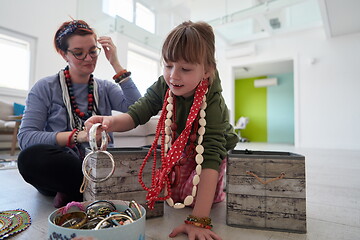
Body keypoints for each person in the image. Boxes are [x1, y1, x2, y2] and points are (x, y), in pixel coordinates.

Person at [85, 21, 238, 240]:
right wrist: (109, 121)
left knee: (202, 198)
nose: (174, 76)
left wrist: (199, 221)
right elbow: (137, 114)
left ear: (207, 71)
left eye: (185, 69)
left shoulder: (213, 103)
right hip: (183, 148)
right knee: (177, 193)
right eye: (168, 65)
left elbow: (210, 158)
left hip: (210, 153)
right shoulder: (165, 85)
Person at [17, 19, 141, 208]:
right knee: (30, 158)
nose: (89, 59)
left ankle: (77, 191)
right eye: (78, 53)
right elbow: (26, 138)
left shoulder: (105, 87)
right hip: (62, 168)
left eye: (93, 51)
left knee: (148, 153)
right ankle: (87, 190)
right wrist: (79, 136)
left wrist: (115, 63)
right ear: (63, 54)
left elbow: (138, 110)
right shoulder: (45, 87)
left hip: (101, 166)